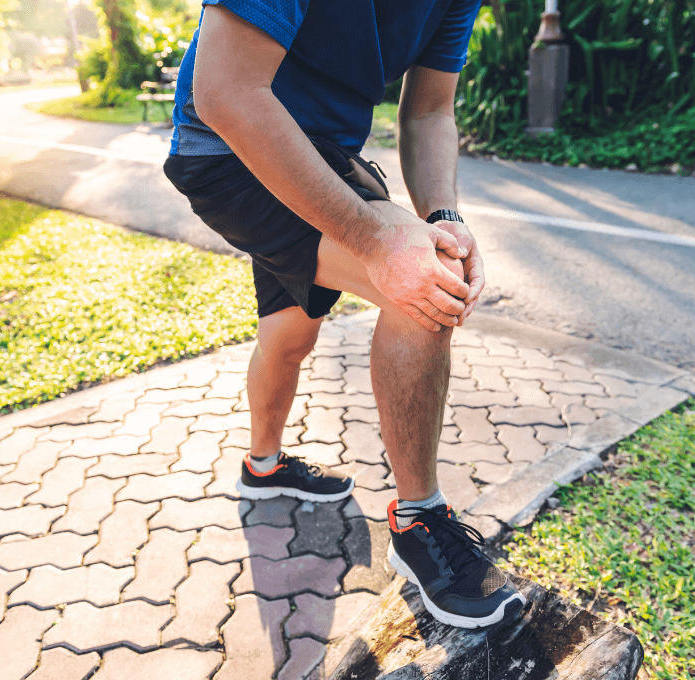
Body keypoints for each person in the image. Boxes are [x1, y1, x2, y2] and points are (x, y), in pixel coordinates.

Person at [163, 1, 527, 629]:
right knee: (425, 285)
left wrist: (444, 216)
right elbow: (225, 91)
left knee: (289, 333)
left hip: (323, 161)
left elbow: (431, 109)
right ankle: (418, 522)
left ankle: (264, 468)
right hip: (227, 151)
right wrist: (377, 238)